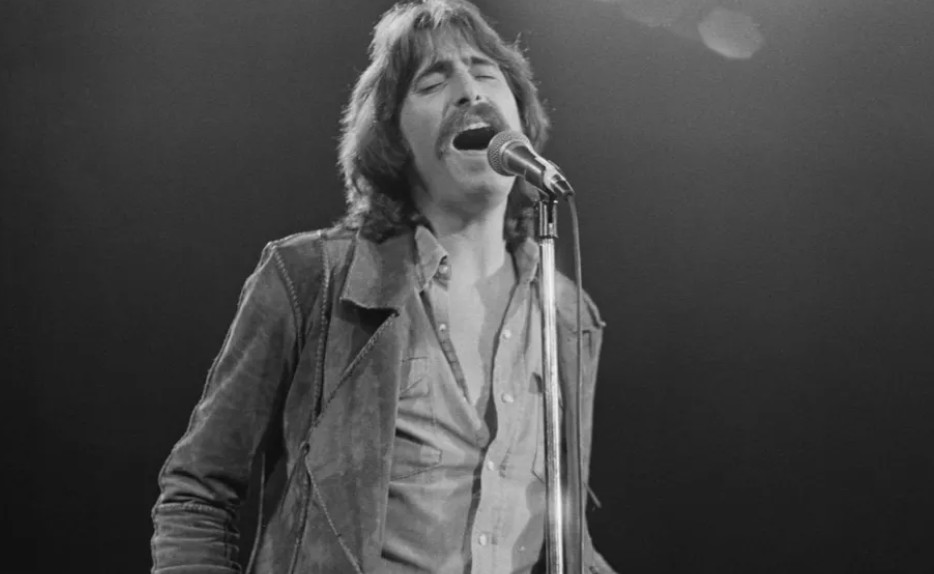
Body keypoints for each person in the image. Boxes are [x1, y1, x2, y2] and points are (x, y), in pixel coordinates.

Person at [150, 1, 615, 572]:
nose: (469, 91)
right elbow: (199, 492)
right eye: (433, 82)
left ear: (521, 118)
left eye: (486, 73)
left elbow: (564, 535)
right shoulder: (311, 277)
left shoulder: (567, 314)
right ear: (394, 138)